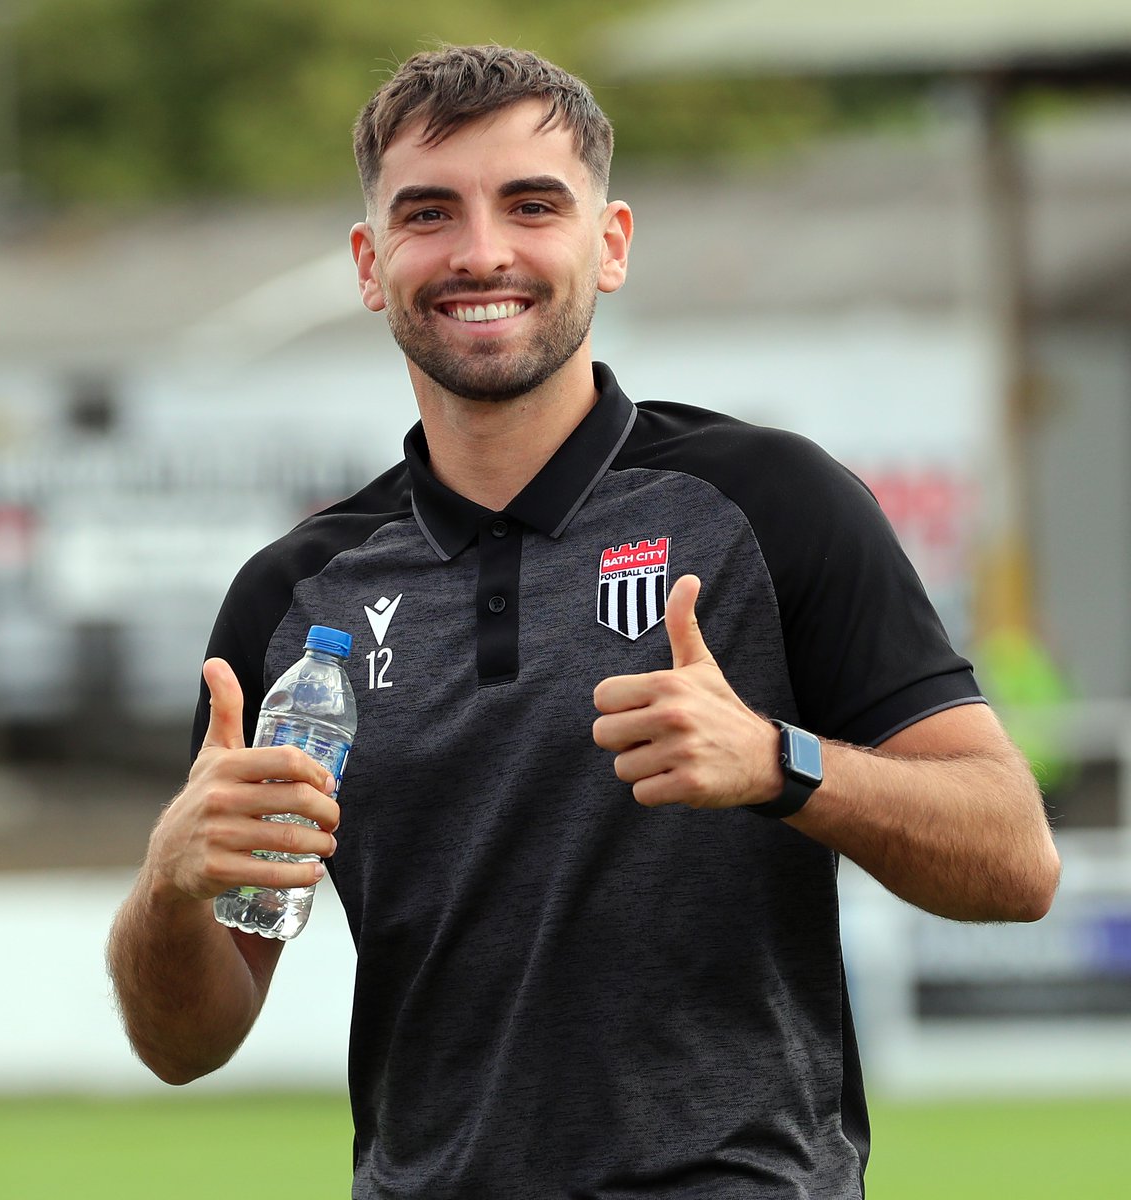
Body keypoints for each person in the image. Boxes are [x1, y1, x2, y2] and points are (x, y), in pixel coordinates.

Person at [108, 45, 1061, 1198]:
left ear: (608, 243)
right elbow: (184, 1041)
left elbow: (1016, 858)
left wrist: (779, 762)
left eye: (531, 204)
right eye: (428, 212)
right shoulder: (296, 599)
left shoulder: (771, 504)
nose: (481, 252)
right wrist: (168, 882)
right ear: (371, 263)